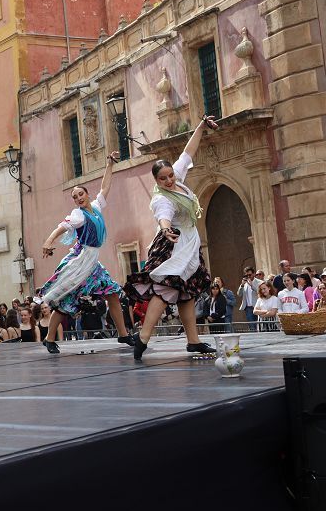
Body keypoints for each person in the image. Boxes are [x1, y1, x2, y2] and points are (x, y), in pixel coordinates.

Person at [126, 116, 220, 360]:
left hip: (189, 243)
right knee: (166, 289)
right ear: (156, 181)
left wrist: (200, 126)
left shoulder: (177, 179)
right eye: (163, 178)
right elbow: (163, 216)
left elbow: (188, 152)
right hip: (173, 244)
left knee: (186, 291)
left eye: (170, 176)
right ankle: (143, 337)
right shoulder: (161, 198)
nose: (169, 180)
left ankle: (193, 341)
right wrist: (166, 228)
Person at [39, 151, 130, 354]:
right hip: (81, 261)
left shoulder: (96, 207)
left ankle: (123, 335)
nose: (78, 198)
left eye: (80, 194)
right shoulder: (78, 215)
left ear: (87, 194)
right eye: (75, 197)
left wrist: (109, 165)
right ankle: (49, 338)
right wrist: (48, 240)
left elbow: (105, 188)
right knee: (66, 300)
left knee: (112, 293)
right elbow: (63, 226)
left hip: (93, 263)